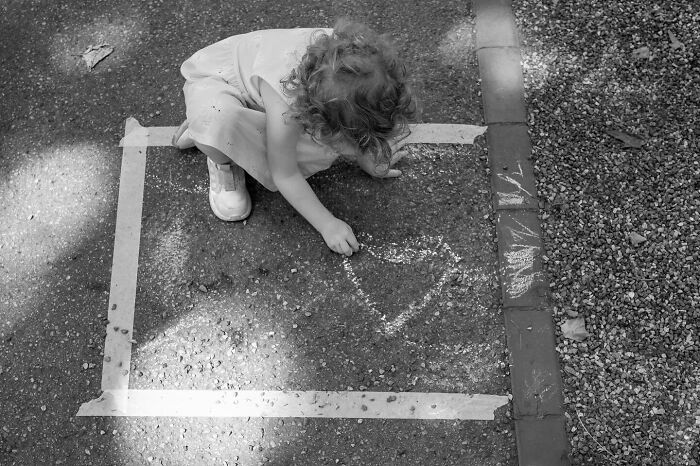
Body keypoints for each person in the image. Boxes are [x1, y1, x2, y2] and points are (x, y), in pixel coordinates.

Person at [172, 19, 417, 256]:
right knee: (216, 120)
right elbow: (285, 174)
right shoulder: (289, 106)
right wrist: (327, 224)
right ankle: (216, 149)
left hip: (264, 94)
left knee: (304, 142)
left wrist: (366, 156)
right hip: (220, 83)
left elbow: (357, 118)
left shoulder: (351, 65)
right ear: (318, 117)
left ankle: (221, 127)